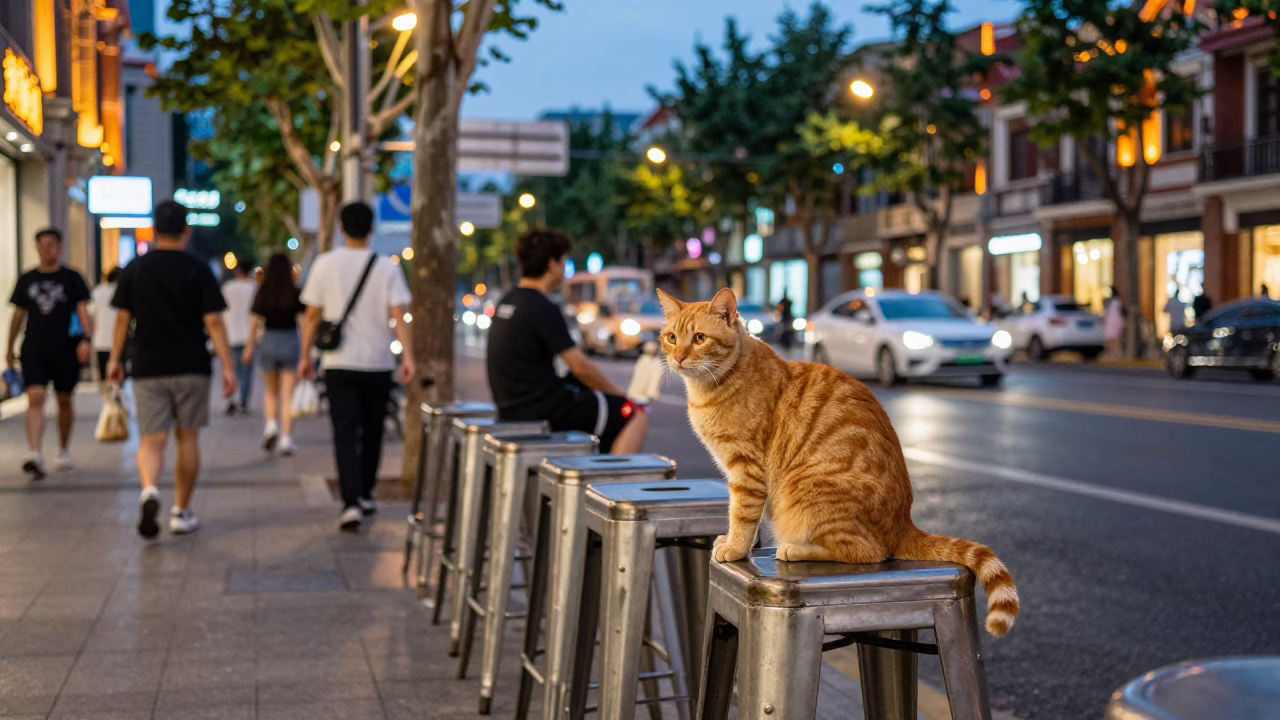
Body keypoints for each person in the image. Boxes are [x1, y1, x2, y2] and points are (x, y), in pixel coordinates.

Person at [108, 201, 236, 539]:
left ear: (154, 228)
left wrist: (113, 360)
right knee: (188, 437)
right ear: (186, 230)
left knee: (152, 440)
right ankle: (181, 511)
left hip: (147, 365)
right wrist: (228, 365)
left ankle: (150, 489)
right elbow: (214, 322)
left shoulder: (136, 268)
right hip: (192, 365)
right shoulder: (198, 269)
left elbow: (122, 318)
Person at [298, 202, 414, 532]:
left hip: (338, 364)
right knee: (374, 430)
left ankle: (350, 503)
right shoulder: (386, 267)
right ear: (371, 229)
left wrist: (304, 356)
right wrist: (408, 357)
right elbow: (399, 317)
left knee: (345, 432)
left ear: (342, 228)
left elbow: (311, 316)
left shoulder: (325, 264)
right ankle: (365, 493)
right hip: (377, 363)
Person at [486, 228, 649, 458]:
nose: (565, 270)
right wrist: (621, 395)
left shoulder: (508, 300)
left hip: (511, 408)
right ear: (552, 264)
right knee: (633, 413)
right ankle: (610, 485)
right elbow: (580, 366)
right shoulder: (541, 306)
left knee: (590, 399)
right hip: (542, 411)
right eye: (564, 262)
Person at [6, 228, 93, 478]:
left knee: (64, 400)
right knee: (35, 397)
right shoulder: (27, 279)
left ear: (60, 247)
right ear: (37, 248)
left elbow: (83, 311)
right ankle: (34, 452)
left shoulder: (72, 278)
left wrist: (86, 340)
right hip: (34, 348)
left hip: (66, 348)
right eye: (43, 245)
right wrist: (9, 347)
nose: (47, 249)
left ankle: (63, 449)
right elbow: (18, 314)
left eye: (52, 244)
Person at [244, 253, 304, 455]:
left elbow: (254, 322)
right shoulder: (295, 292)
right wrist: (306, 352)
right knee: (288, 394)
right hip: (290, 341)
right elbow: (303, 323)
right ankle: (286, 439)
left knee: (271, 391)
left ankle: (271, 427)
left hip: (269, 341)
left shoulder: (263, 291)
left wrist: (249, 346)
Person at [221, 262, 256, 415]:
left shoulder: (227, 287)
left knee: (230, 368)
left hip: (229, 333)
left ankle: (231, 399)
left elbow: (220, 311)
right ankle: (243, 400)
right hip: (248, 335)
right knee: (246, 371)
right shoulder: (254, 288)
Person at [90, 267, 122, 388]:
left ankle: (108, 404)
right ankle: (119, 403)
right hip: (120, 342)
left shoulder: (98, 291)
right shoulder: (123, 291)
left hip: (101, 340)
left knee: (105, 380)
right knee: (120, 379)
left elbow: (90, 313)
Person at [1103, 286, 1126, 359]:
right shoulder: (1111, 301)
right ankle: (1112, 354)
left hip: (1115, 321)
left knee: (1115, 339)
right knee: (1111, 339)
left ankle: (1115, 354)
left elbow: (1121, 311)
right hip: (1112, 321)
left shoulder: (1116, 302)